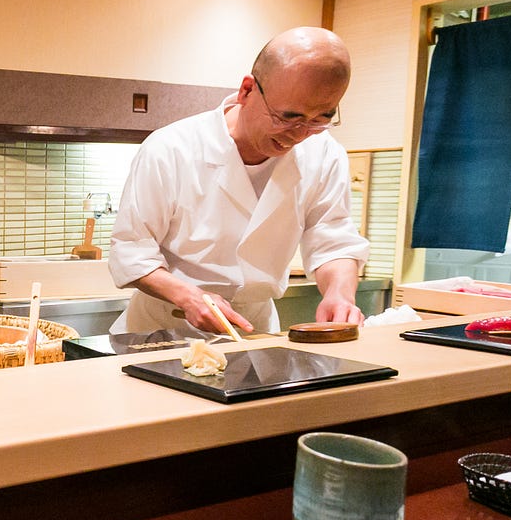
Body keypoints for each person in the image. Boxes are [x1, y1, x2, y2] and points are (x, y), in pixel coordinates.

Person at [109, 26, 369, 337]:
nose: (299, 134)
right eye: (287, 116)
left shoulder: (325, 154)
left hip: (254, 331)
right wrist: (188, 295)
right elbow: (131, 251)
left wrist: (339, 295)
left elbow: (333, 240)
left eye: (320, 119)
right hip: (162, 329)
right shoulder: (171, 148)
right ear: (247, 90)